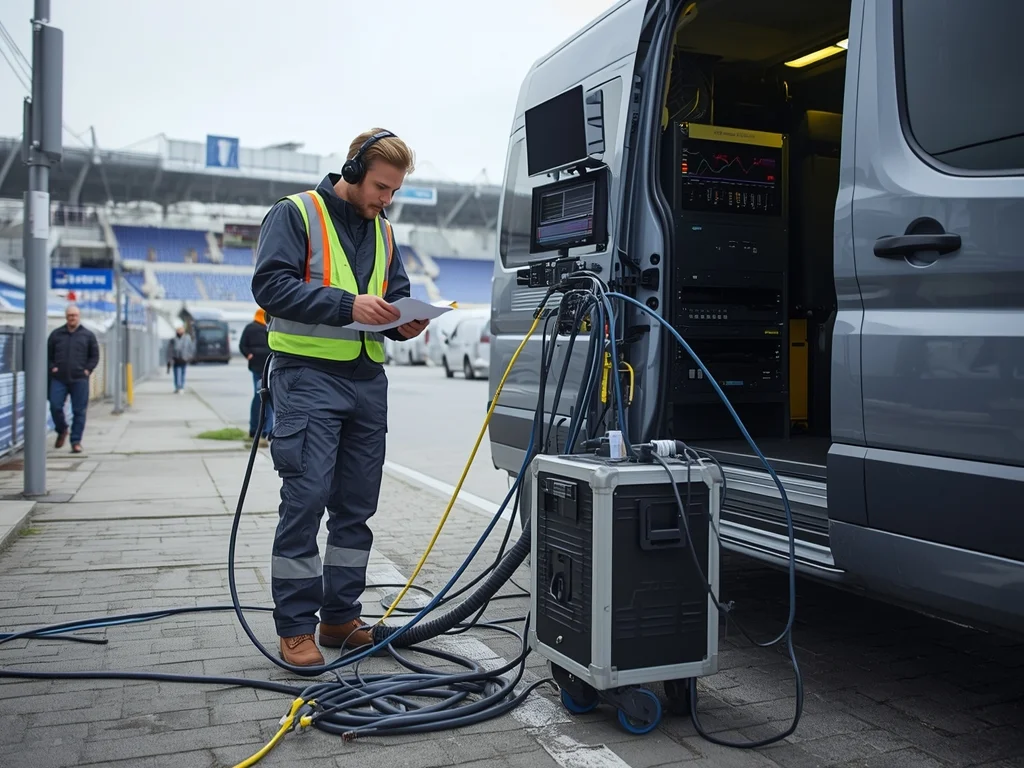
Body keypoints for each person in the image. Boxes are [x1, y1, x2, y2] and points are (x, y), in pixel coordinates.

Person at [252, 128, 429, 667]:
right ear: (352, 171)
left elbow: (393, 298)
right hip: (307, 379)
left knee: (355, 508)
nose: (386, 199)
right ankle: (295, 627)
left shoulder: (386, 232)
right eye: (380, 186)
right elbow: (270, 286)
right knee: (305, 503)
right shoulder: (296, 213)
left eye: (394, 191)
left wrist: (406, 322)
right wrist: (347, 305)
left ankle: (339, 617)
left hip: (366, 381)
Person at [47, 304, 99, 454]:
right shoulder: (56, 335)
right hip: (59, 378)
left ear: (79, 316)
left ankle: (76, 441)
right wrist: (52, 367)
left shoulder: (88, 335)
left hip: (79, 379)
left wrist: (88, 370)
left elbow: (94, 356)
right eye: (70, 315)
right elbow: (48, 354)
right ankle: (62, 429)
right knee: (55, 405)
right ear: (66, 316)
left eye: (75, 315)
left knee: (79, 411)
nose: (72, 318)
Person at [239, 307, 274, 446]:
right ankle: (266, 430)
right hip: (267, 366)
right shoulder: (268, 327)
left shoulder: (252, 327)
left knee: (259, 396)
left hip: (258, 366)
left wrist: (248, 355)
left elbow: (242, 345)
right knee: (267, 397)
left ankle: (257, 429)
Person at [167, 323, 194, 393]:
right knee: (177, 373)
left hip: (184, 358)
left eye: (181, 330)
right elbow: (170, 350)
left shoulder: (187, 338)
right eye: (178, 330)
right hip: (176, 359)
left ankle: (181, 386)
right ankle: (178, 386)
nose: (180, 331)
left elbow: (190, 348)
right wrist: (170, 359)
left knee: (182, 372)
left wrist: (189, 356)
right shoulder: (173, 339)